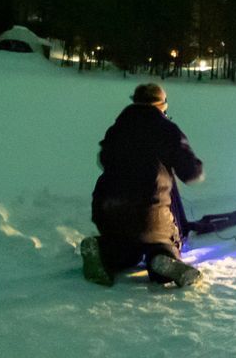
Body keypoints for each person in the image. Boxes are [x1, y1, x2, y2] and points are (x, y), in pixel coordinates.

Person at [81, 82, 205, 287]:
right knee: (161, 243)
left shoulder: (118, 127)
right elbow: (191, 173)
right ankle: (162, 261)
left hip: (106, 210)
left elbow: (103, 159)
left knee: (126, 248)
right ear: (161, 104)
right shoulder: (167, 129)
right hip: (150, 212)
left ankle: (102, 250)